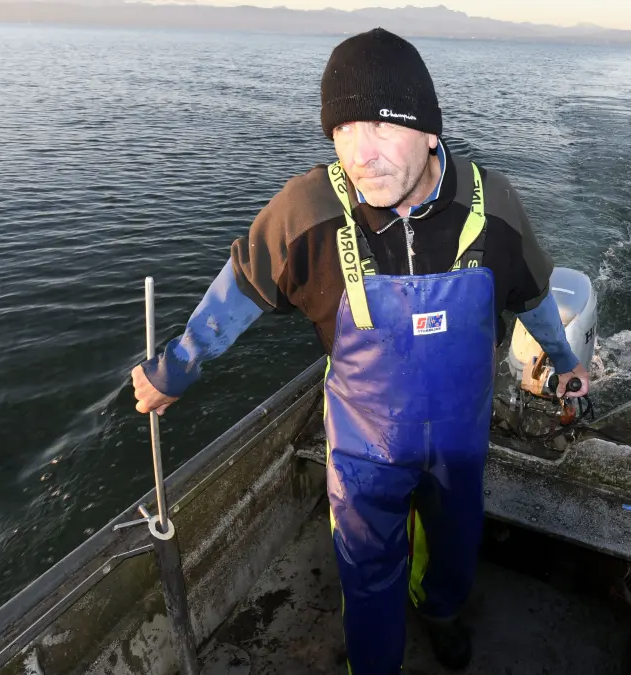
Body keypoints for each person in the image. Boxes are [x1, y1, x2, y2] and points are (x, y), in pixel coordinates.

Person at [131, 27, 590, 674]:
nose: (360, 154)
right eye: (343, 129)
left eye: (381, 125)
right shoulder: (308, 210)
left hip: (460, 440)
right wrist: (177, 366)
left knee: (455, 545)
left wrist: (566, 362)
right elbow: (242, 284)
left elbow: (535, 293)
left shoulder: (494, 207)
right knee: (365, 572)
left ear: (431, 131)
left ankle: (440, 612)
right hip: (363, 444)